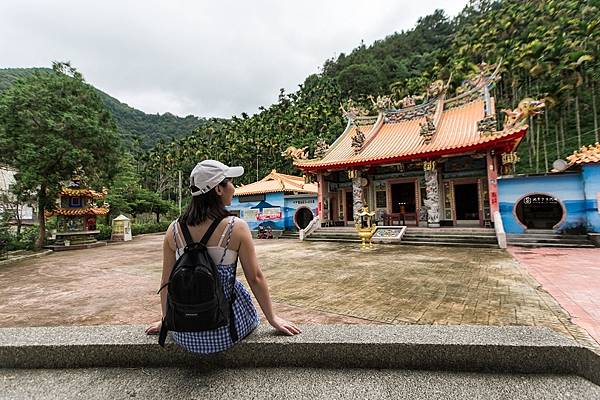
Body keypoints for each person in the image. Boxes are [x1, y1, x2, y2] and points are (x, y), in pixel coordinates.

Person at [145, 160, 300, 353]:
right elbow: (255, 277)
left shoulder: (173, 230)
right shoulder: (236, 227)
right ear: (218, 189)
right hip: (226, 334)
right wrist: (272, 318)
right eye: (230, 182)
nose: (234, 188)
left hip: (183, 334)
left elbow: (166, 282)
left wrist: (167, 320)